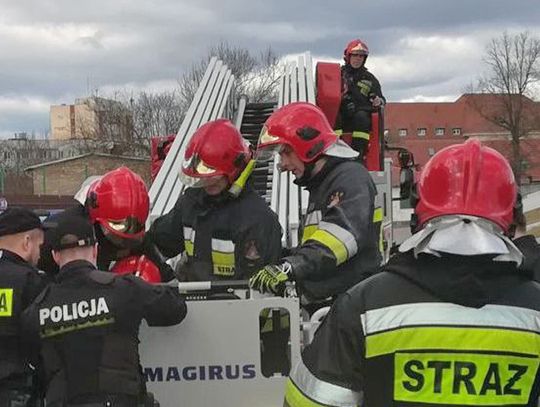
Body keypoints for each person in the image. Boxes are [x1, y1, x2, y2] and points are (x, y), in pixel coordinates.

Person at [284, 138, 540, 407]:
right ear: (512, 216)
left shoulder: (362, 305)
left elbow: (310, 403)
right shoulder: (534, 311)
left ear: (418, 212)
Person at [21, 215, 187, 407]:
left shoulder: (37, 309)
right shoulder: (124, 288)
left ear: (55, 256)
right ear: (95, 250)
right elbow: (176, 309)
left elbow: (33, 362)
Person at [250, 102, 382, 310]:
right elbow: (317, 248)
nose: (282, 165)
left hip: (354, 306)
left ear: (307, 145)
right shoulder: (325, 184)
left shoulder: (350, 178)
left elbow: (338, 240)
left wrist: (290, 267)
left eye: (285, 152)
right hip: (337, 304)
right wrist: (277, 257)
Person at [145, 119, 283, 281]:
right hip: (190, 302)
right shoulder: (190, 204)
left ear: (234, 169)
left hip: (237, 304)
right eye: (202, 178)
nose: (206, 184)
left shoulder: (259, 220)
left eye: (213, 177)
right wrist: (168, 282)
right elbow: (155, 244)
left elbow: (262, 289)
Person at [39, 167, 173, 282]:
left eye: (130, 237)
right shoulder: (59, 233)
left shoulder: (136, 238)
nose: (123, 243)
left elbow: (167, 279)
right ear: (96, 218)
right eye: (116, 234)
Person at [0, 208, 47, 407]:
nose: (39, 254)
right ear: (27, 242)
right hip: (18, 390)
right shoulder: (31, 280)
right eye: (39, 246)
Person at [334, 39, 385, 159]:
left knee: (361, 117)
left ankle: (358, 153)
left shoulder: (370, 79)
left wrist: (378, 101)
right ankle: (336, 151)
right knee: (334, 116)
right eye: (355, 55)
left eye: (361, 56)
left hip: (360, 117)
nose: (358, 59)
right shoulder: (338, 75)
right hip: (341, 114)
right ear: (348, 56)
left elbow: (382, 99)